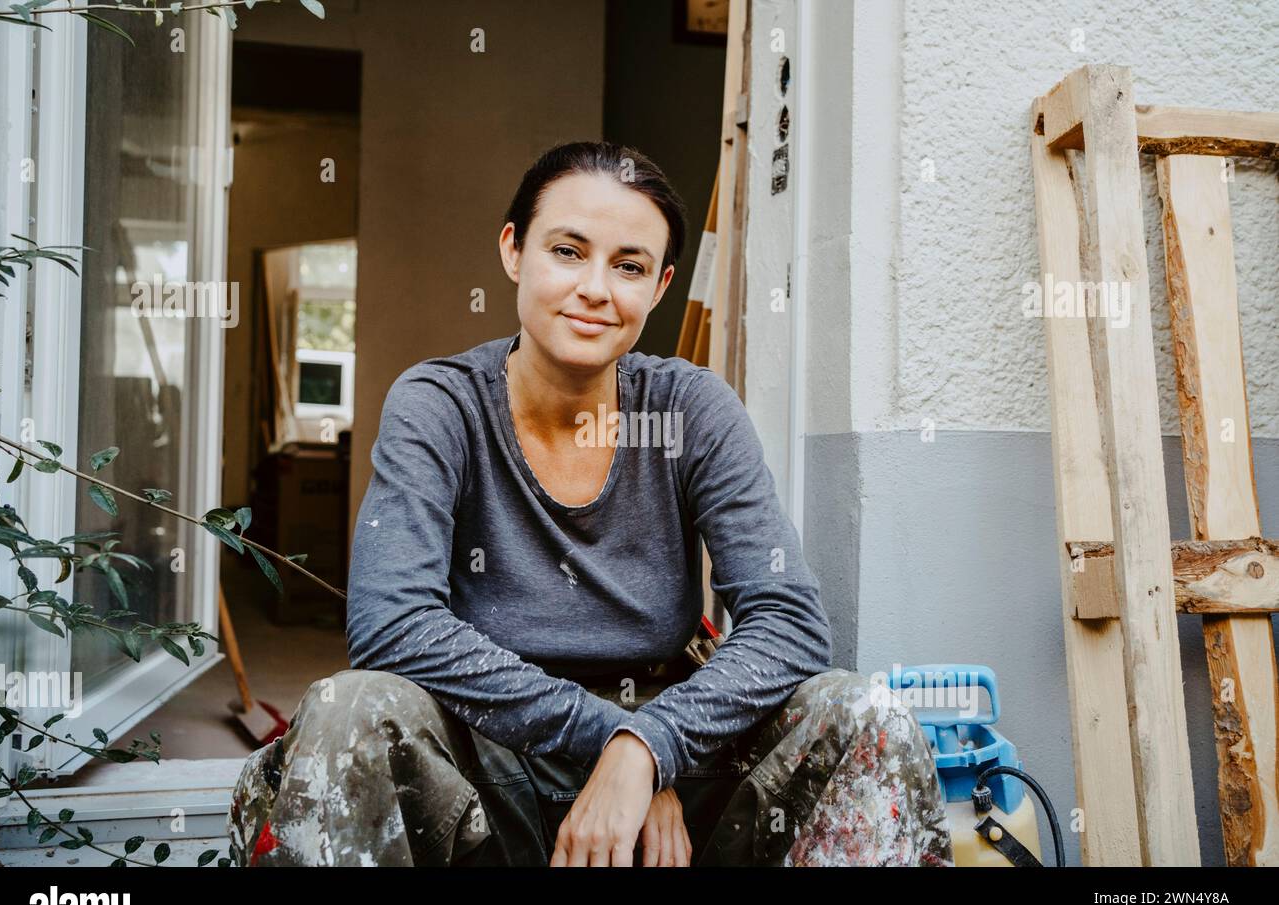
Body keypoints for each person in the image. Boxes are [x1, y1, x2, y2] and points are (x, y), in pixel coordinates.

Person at [226, 141, 953, 867]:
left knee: (862, 710)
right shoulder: (439, 403)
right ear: (514, 250)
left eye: (629, 266)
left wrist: (654, 746)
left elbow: (790, 622)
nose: (596, 289)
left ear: (662, 285)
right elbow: (391, 626)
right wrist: (613, 740)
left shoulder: (691, 409)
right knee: (349, 708)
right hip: (488, 757)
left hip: (678, 757)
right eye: (568, 251)